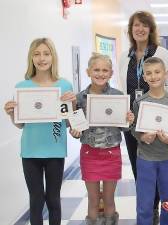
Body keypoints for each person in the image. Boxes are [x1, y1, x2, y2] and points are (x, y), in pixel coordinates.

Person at [3, 38, 75, 225]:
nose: (41, 58)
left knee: (53, 200)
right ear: (31, 58)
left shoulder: (65, 86)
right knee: (35, 201)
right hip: (30, 151)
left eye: (46, 53)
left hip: (55, 150)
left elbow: (68, 122)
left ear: (53, 57)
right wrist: (11, 114)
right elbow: (21, 125)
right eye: (36, 54)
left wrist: (72, 105)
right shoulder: (22, 87)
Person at [117, 11, 168, 223]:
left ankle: (161, 211)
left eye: (144, 25)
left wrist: (164, 112)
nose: (140, 29)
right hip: (135, 120)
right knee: (140, 168)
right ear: (131, 30)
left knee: (161, 170)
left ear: (151, 29)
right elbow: (123, 87)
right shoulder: (125, 56)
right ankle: (149, 210)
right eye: (136, 25)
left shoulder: (161, 52)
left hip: (160, 118)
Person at [69, 53, 135, 225]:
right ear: (88, 71)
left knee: (109, 200)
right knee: (92, 200)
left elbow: (124, 128)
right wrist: (74, 131)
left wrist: (128, 120)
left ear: (111, 73)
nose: (100, 73)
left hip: (111, 153)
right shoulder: (79, 98)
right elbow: (75, 127)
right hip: (89, 154)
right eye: (96, 69)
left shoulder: (118, 96)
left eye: (105, 70)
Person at [131, 57, 168, 225]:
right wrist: (142, 137)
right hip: (145, 159)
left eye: (157, 72)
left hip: (167, 158)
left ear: (165, 74)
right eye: (149, 73)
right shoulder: (139, 102)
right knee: (145, 203)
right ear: (144, 77)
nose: (153, 76)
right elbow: (134, 128)